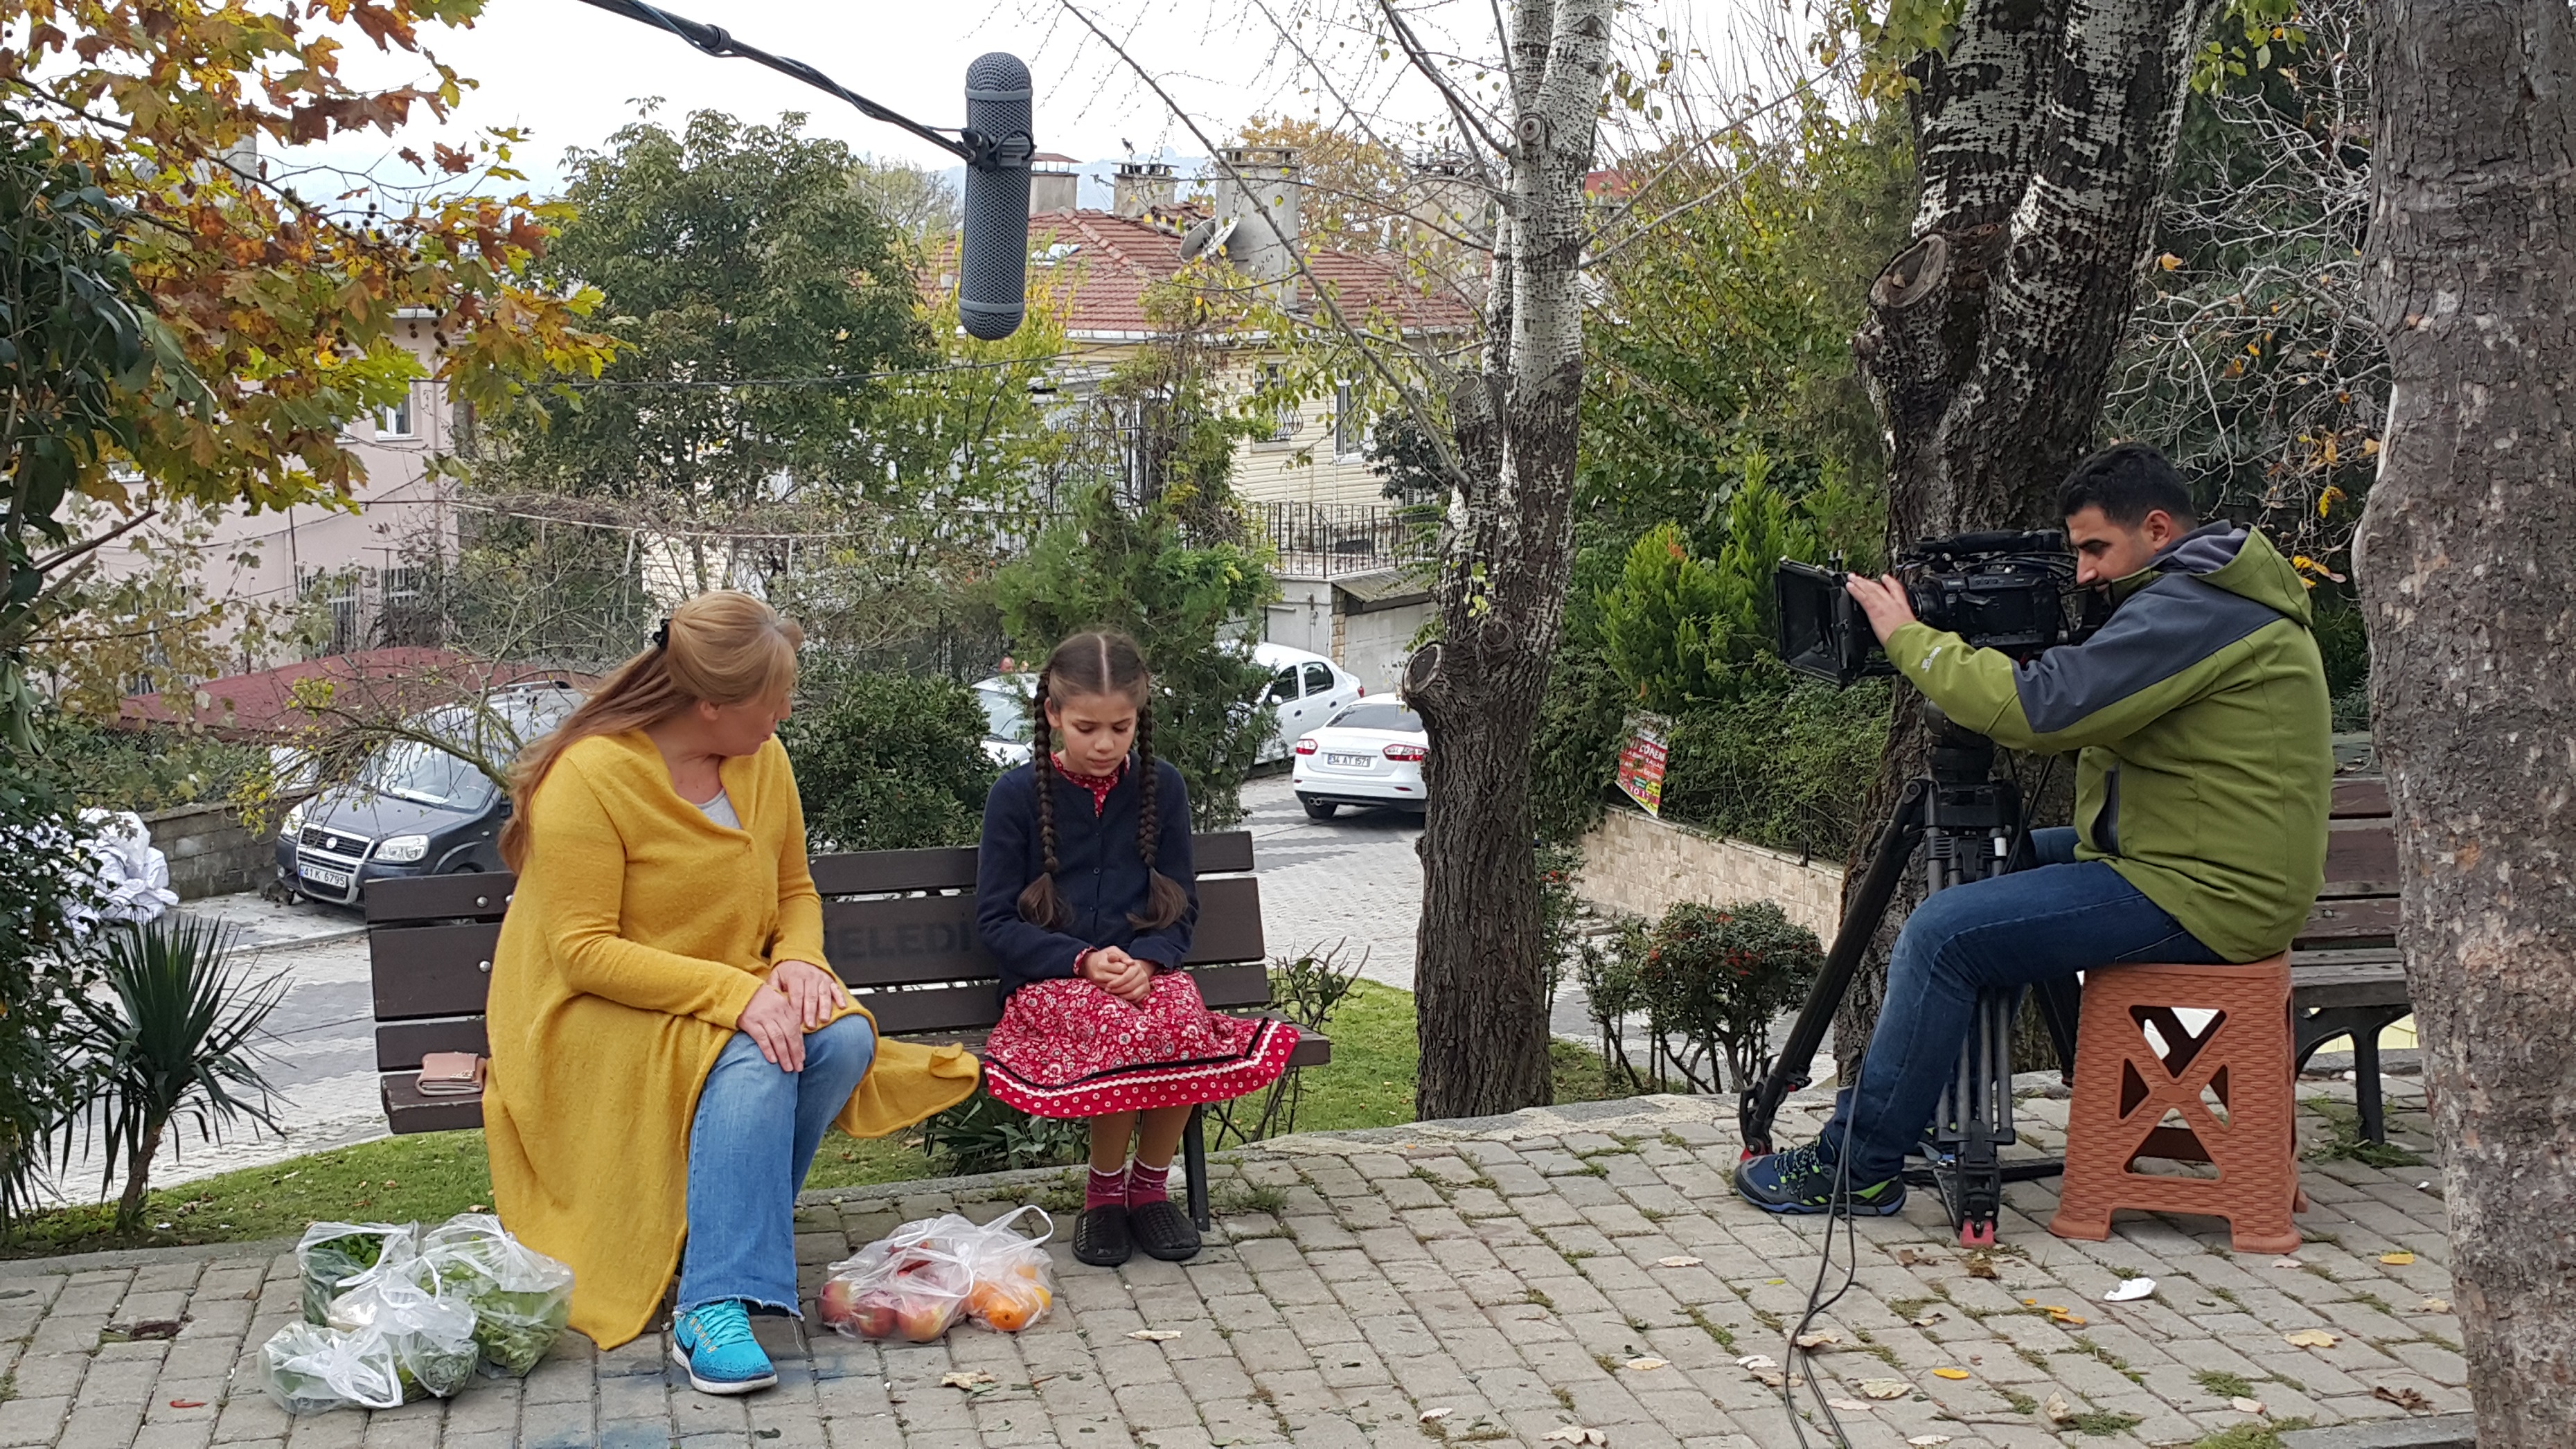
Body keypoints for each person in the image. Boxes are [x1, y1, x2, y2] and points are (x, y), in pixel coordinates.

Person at [1734, 442, 2332, 1215]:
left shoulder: (2192, 610)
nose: (2081, 573)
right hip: (2190, 860)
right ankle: (1931, 1107)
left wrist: (1906, 635)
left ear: (2156, 528)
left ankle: (1860, 1166)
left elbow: (2039, 708)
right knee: (1996, 868)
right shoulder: (2208, 592)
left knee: (1942, 932)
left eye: (2095, 549)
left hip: (2208, 891)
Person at [484, 592, 978, 1395]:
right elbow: (582, 954)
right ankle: (710, 1305)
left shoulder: (762, 760)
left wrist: (801, 963)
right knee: (759, 1052)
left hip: (714, 994)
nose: (785, 713)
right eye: (773, 698)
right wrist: (738, 997)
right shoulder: (591, 777)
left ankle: (717, 1246)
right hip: (589, 1013)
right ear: (710, 704)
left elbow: (794, 890)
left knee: (842, 1037)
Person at [975, 630, 1300, 1268]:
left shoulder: (1161, 788)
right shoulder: (1014, 797)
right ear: (1052, 714)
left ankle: (1149, 1189)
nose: (1104, 744)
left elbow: (1181, 903)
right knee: (1123, 1026)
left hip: (1144, 974)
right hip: (1050, 983)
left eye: (1120, 728)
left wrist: (1148, 960)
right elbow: (994, 922)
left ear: (1138, 718)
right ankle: (1103, 1196)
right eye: (1086, 728)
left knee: (1179, 1017)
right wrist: (1081, 961)